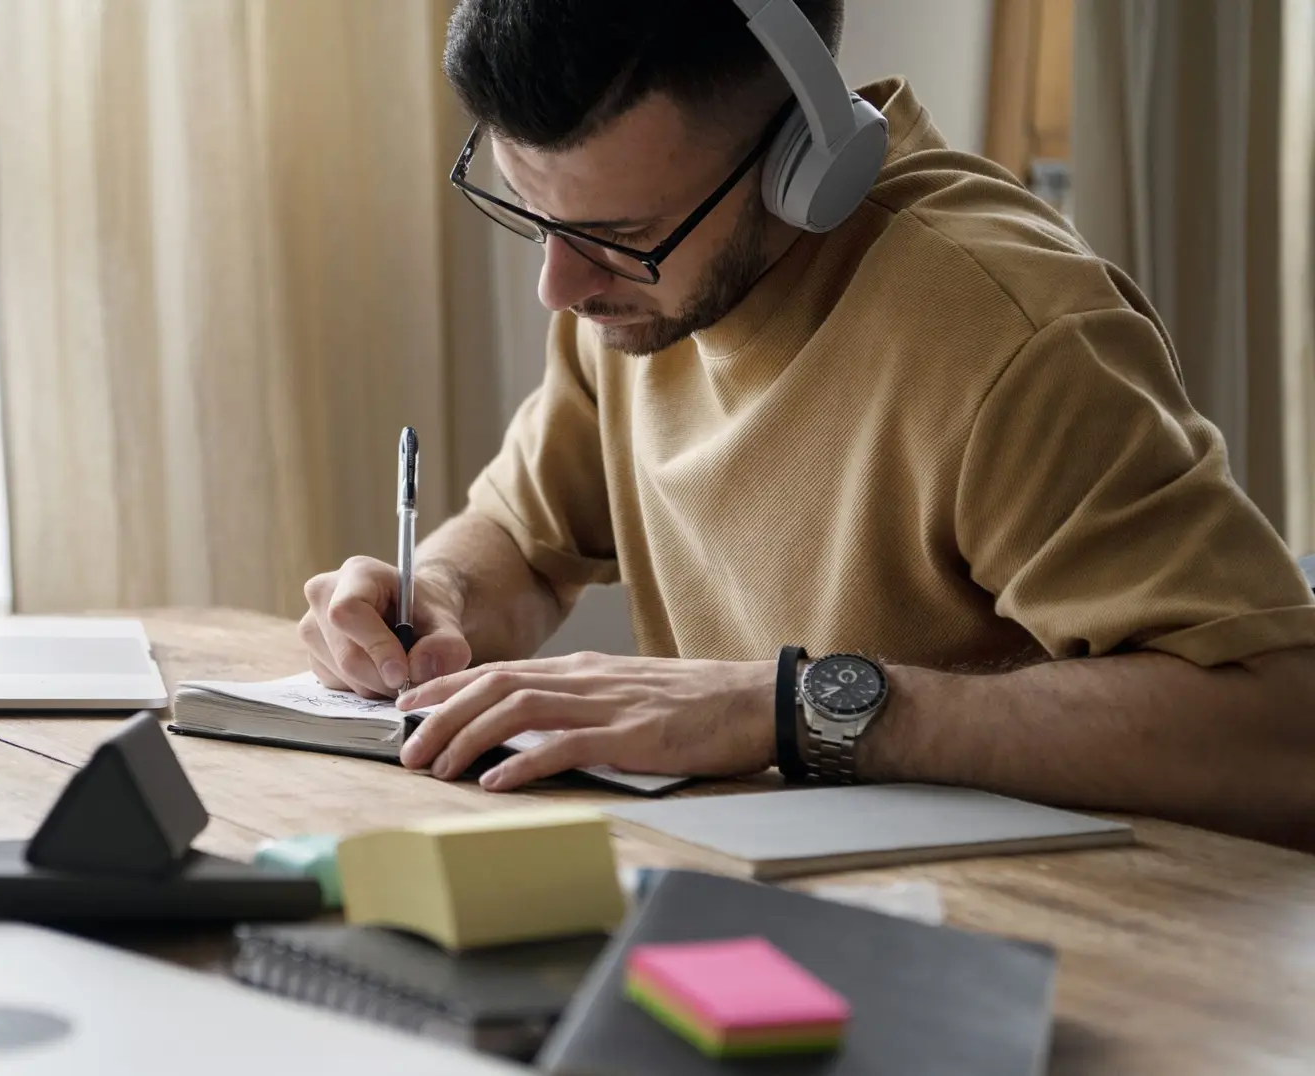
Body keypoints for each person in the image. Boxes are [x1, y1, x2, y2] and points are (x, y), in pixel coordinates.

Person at [297, 0, 1315, 848]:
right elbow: (523, 542)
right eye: (531, 210)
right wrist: (434, 599)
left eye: (617, 236)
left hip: (1057, 951)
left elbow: (1280, 730)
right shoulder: (634, 300)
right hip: (763, 908)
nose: (557, 286)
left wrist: (782, 709)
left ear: (803, 161)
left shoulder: (1011, 335)